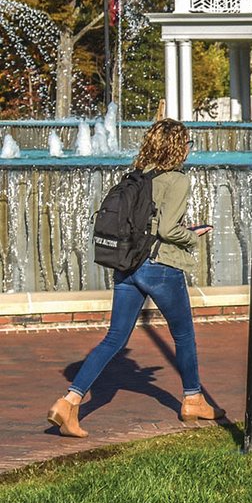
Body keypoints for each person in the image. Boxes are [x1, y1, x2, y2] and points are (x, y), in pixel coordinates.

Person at [49, 118, 218, 438]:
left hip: (127, 264)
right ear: (178, 147)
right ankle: (193, 398)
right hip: (160, 266)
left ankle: (69, 401)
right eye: (187, 144)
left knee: (114, 338)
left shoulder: (139, 175)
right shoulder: (176, 179)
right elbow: (168, 230)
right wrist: (193, 236)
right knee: (183, 336)